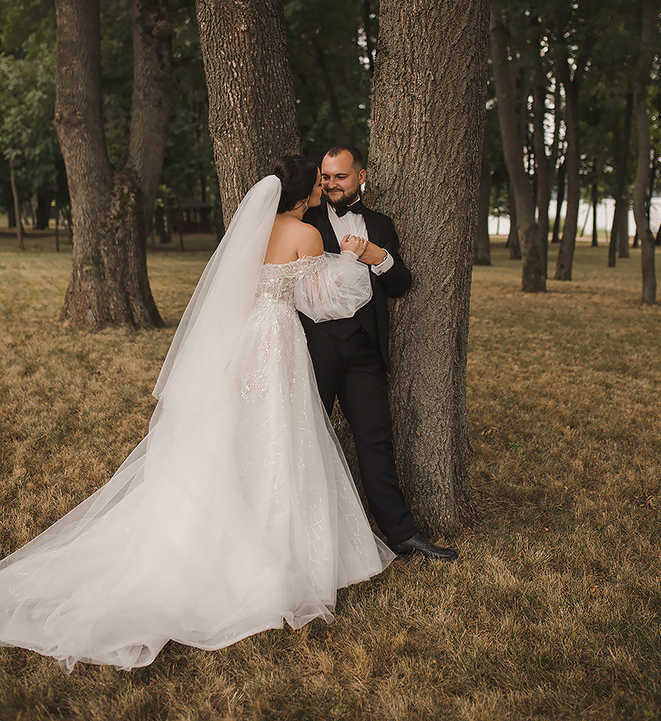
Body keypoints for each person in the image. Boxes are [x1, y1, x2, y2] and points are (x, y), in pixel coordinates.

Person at [0, 156, 394, 674]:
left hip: (247, 340)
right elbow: (324, 301)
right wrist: (359, 260)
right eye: (318, 181)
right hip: (278, 341)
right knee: (280, 433)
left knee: (248, 433)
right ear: (305, 192)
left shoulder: (251, 233)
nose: (325, 186)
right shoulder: (305, 235)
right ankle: (276, 544)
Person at [301, 145, 458, 562]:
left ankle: (403, 536)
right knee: (303, 439)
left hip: (364, 351)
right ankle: (304, 543)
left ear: (361, 176)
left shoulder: (380, 224)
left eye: (341, 176)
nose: (332, 184)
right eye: (326, 176)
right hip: (312, 348)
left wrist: (380, 258)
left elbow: (401, 285)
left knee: (376, 441)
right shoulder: (303, 218)